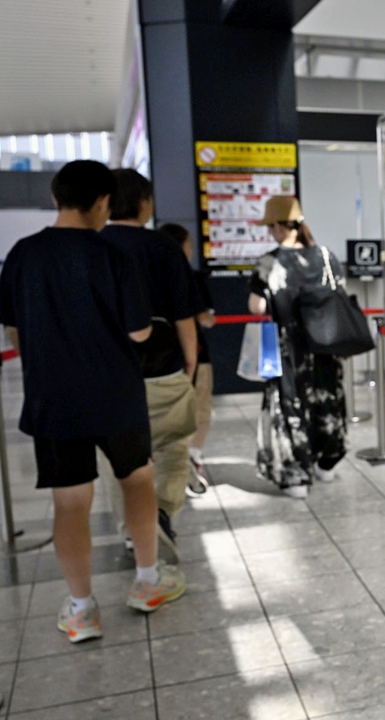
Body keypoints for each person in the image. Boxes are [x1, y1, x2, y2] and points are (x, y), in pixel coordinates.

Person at [0, 160, 185, 643]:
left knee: (71, 501)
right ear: (103, 201)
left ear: (57, 196)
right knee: (138, 480)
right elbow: (138, 330)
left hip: (53, 400)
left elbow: (13, 329)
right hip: (115, 395)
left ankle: (81, 611)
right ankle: (147, 582)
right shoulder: (111, 256)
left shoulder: (22, 255)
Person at [99, 169, 204, 561]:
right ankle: (160, 511)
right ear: (145, 203)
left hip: (111, 374)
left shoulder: (95, 245)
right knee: (172, 445)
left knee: (120, 457)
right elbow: (183, 313)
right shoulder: (164, 248)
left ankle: (132, 530)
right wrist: (190, 360)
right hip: (163, 366)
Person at [248, 196, 348, 498]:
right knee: (327, 401)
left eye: (271, 227)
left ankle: (297, 478)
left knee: (291, 405)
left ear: (280, 227)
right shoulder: (327, 257)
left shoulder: (268, 262)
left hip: (288, 350)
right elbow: (341, 294)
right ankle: (327, 465)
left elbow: (256, 306)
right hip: (325, 346)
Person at [159, 223, 216, 496]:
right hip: (194, 355)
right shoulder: (189, 278)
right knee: (200, 410)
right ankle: (191, 456)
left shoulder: (146, 275)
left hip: (160, 360)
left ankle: (174, 463)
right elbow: (202, 318)